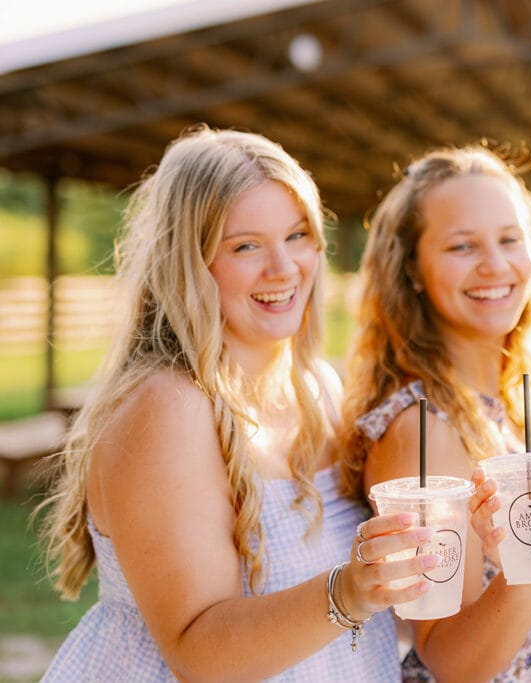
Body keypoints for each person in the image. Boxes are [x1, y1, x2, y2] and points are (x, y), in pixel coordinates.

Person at [36, 126, 437, 681]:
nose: (283, 267)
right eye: (246, 245)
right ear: (189, 262)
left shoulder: (320, 386)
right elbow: (197, 652)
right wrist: (349, 590)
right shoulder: (169, 407)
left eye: (297, 236)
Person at [338, 145, 531, 682]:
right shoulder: (423, 430)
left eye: (509, 239)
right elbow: (450, 658)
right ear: (413, 271)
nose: (495, 265)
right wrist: (526, 563)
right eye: (461, 245)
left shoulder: (515, 405)